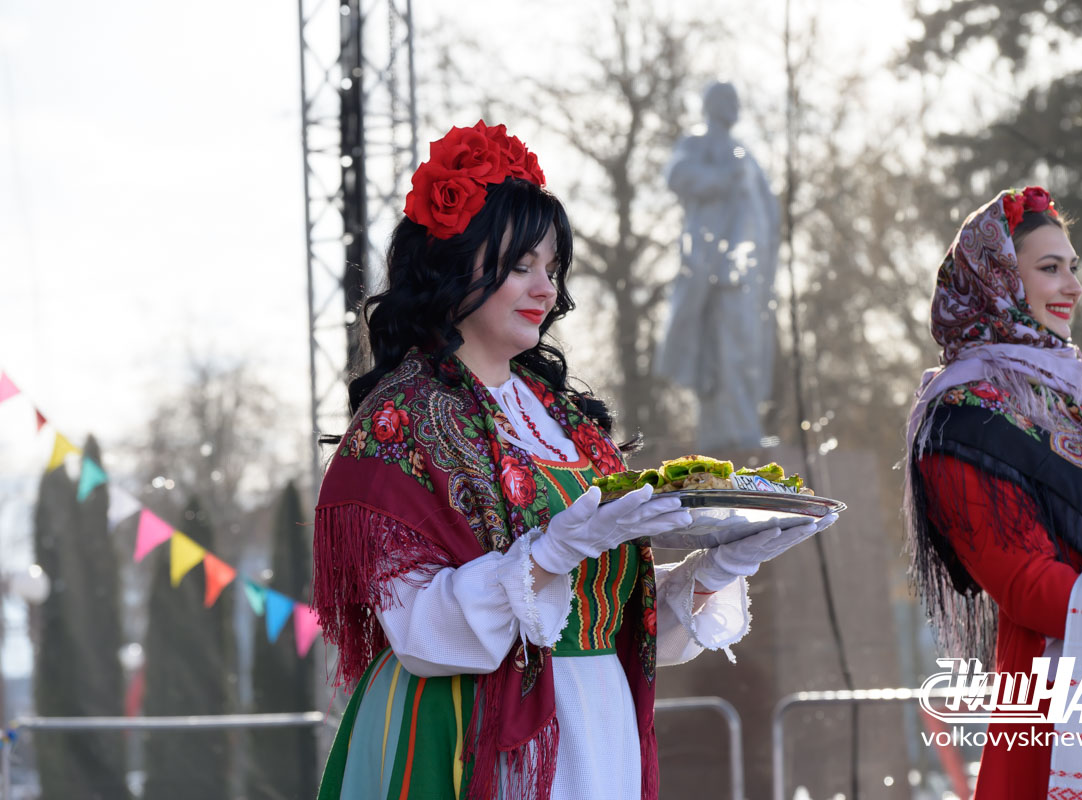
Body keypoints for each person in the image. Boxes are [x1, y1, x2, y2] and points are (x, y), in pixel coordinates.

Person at [312, 121, 835, 800]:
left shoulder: (567, 422)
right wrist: (550, 553)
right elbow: (419, 632)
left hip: (597, 721)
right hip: (470, 734)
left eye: (552, 269)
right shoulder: (402, 419)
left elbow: (607, 617)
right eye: (521, 266)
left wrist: (716, 569)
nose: (546, 290)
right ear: (454, 264)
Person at [902, 186, 1082, 797]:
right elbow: (1025, 584)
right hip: (1062, 708)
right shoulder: (961, 418)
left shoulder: (1073, 399)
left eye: (1073, 266)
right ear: (998, 283)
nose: (1074, 286)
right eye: (1050, 269)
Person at [655, 81, 779, 452]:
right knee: (722, 351)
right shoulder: (698, 142)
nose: (734, 106)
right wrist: (721, 180)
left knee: (748, 350)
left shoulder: (746, 154)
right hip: (716, 268)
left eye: (735, 100)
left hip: (749, 272)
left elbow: (767, 207)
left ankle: (745, 425)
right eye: (727, 100)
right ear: (712, 105)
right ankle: (728, 432)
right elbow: (677, 175)